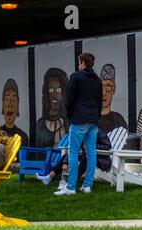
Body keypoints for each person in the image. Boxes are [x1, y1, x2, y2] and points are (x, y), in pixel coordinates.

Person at [55, 53, 102, 196]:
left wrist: (70, 117)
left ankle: (70, 187)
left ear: (82, 63)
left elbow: (68, 100)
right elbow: (100, 102)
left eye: (79, 62)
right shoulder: (97, 80)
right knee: (91, 152)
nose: (78, 64)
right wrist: (96, 116)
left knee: (73, 152)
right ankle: (87, 186)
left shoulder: (76, 77)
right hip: (93, 120)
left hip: (79, 119)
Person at [36, 129, 112, 190]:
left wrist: (91, 146)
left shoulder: (99, 133)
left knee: (87, 155)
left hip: (101, 159)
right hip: (85, 156)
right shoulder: (82, 135)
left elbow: (108, 146)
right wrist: (65, 163)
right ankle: (49, 177)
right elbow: (73, 150)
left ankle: (71, 182)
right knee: (66, 155)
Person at [36, 68, 69, 148]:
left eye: (58, 89)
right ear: (46, 92)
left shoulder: (68, 123)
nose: (54, 95)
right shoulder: (40, 125)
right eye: (51, 90)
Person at [98, 64, 128, 134]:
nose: (104, 93)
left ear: (113, 90)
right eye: (101, 87)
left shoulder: (118, 120)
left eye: (108, 86)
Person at [0, 79, 29, 148]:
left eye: (13, 100)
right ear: (3, 105)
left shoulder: (23, 136)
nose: (10, 105)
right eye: (7, 100)